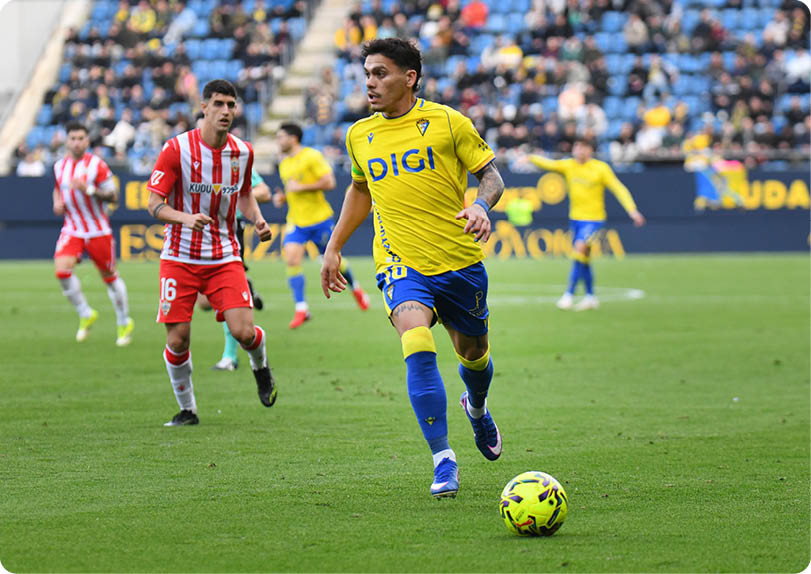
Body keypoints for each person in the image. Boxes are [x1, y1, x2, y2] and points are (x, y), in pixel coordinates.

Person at [320, 38, 505, 499]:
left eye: (380, 73)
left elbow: (492, 176)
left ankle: (477, 408)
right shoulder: (359, 134)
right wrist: (333, 246)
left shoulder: (447, 122)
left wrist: (481, 206)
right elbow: (360, 191)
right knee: (416, 340)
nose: (369, 82)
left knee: (474, 357)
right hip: (400, 262)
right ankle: (443, 458)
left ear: (410, 77)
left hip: (460, 262)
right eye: (366, 73)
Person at [146, 79, 277, 426]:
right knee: (177, 339)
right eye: (218, 104)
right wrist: (185, 218)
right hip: (179, 256)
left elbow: (245, 194)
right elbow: (153, 204)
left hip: (224, 256)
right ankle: (187, 409)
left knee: (244, 333)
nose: (225, 111)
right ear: (203, 107)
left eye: (231, 105)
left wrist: (258, 220)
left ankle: (261, 368)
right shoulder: (176, 149)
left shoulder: (243, 152)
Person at [520, 138, 645, 311]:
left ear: (589, 150)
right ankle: (590, 297)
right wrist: (530, 158)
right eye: (576, 147)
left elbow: (618, 188)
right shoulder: (569, 165)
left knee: (579, 249)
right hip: (576, 219)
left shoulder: (601, 168)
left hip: (594, 220)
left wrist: (632, 210)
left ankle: (568, 295)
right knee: (584, 258)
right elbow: (550, 164)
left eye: (581, 147)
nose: (577, 150)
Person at [273, 122, 370, 329]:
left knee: (336, 261)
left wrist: (301, 187)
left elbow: (330, 182)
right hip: (296, 221)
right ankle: (301, 308)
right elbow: (292, 190)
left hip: (320, 219)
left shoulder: (311, 156)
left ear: (293, 138)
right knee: (291, 258)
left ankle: (357, 289)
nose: (278, 141)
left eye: (280, 137)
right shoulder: (284, 164)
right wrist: (284, 198)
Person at [52, 121, 134, 346]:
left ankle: (123, 321)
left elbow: (114, 196)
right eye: (73, 138)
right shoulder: (60, 166)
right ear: (67, 141)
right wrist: (57, 202)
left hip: (97, 229)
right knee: (62, 272)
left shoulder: (97, 165)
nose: (77, 142)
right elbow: (58, 189)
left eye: (81, 138)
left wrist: (88, 189)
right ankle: (86, 313)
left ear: (87, 141)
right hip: (72, 228)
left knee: (109, 277)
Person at [210, 169, 271, 371]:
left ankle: (229, 357)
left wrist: (233, 196)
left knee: (225, 292)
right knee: (204, 302)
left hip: (229, 229)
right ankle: (247, 288)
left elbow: (264, 192)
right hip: (198, 232)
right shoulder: (186, 158)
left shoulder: (234, 159)